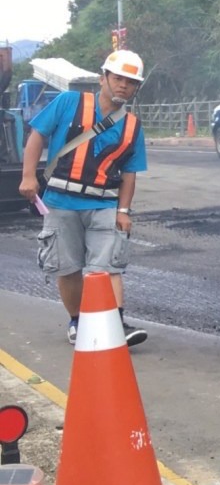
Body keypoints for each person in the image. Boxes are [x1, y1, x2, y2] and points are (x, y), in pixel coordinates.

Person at [17, 51, 150, 346]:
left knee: (108, 267)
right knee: (67, 268)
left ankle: (116, 325)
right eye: (118, 78)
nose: (123, 86)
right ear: (103, 78)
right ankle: (78, 320)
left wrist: (124, 210)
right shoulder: (69, 102)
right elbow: (37, 135)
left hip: (104, 205)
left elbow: (130, 172)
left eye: (130, 82)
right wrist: (29, 176)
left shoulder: (132, 126)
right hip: (61, 202)